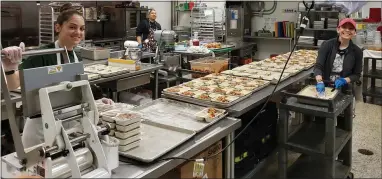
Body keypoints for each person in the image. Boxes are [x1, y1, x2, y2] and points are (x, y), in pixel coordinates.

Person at [1, 3, 114, 148]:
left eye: (82, 28)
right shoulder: (43, 55)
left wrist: (95, 101)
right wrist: (10, 68)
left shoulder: (76, 55)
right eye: (72, 27)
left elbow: (76, 89)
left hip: (69, 127)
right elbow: (13, 84)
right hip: (41, 131)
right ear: (58, 27)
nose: (78, 32)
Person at [314, 18, 362, 116]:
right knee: (324, 117)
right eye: (344, 27)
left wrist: (345, 80)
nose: (347, 30)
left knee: (344, 122)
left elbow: (356, 75)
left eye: (351, 28)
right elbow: (318, 66)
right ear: (338, 29)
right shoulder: (327, 45)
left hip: (345, 91)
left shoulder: (357, 52)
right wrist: (319, 81)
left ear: (354, 33)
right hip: (325, 88)